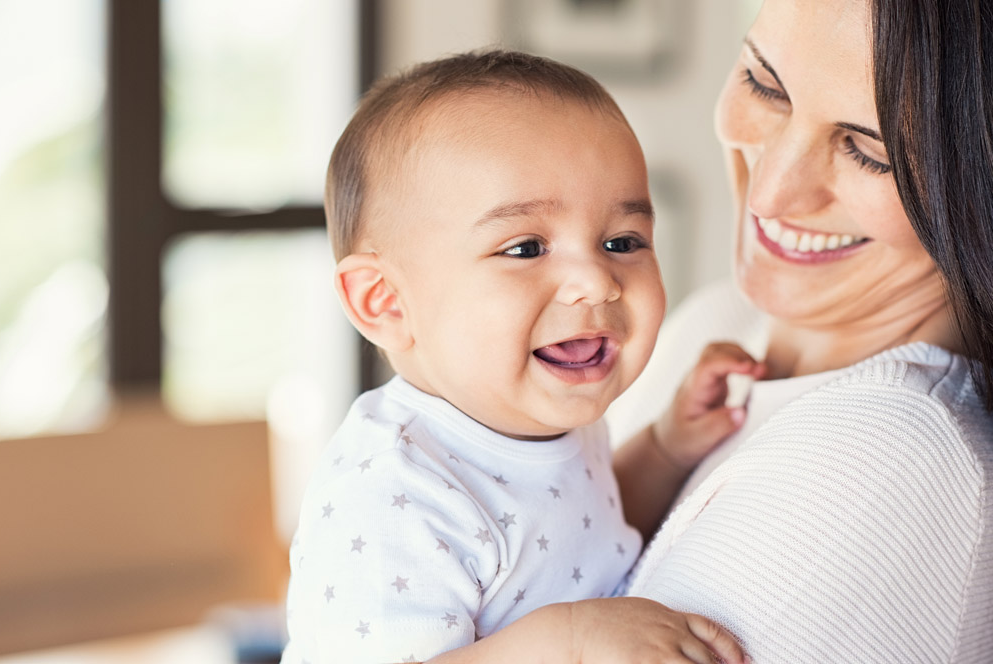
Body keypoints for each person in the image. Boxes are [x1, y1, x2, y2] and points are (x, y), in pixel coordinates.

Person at [413, 0, 993, 662]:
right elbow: (571, 535)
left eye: (869, 152)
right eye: (764, 83)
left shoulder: (889, 457)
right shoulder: (718, 325)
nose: (770, 193)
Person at [279, 50, 758, 664]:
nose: (597, 281)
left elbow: (581, 533)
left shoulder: (549, 422)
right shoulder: (392, 492)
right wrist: (572, 642)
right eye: (526, 247)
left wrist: (668, 447)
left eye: (622, 241)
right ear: (387, 302)